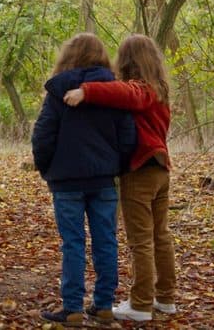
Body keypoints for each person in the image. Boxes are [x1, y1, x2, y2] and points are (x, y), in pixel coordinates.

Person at [63, 34, 176, 322]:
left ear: (127, 60)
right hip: (161, 169)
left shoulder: (142, 89)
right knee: (160, 236)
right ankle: (165, 299)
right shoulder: (160, 88)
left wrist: (86, 91)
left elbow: (126, 94)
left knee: (141, 240)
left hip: (141, 170)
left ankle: (140, 305)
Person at [32, 33, 136, 326]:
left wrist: (47, 169)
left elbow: (42, 136)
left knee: (73, 243)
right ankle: (103, 305)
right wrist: (119, 166)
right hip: (103, 179)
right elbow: (128, 136)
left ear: (69, 56)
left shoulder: (58, 92)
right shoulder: (114, 92)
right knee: (106, 240)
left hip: (66, 181)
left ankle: (73, 308)